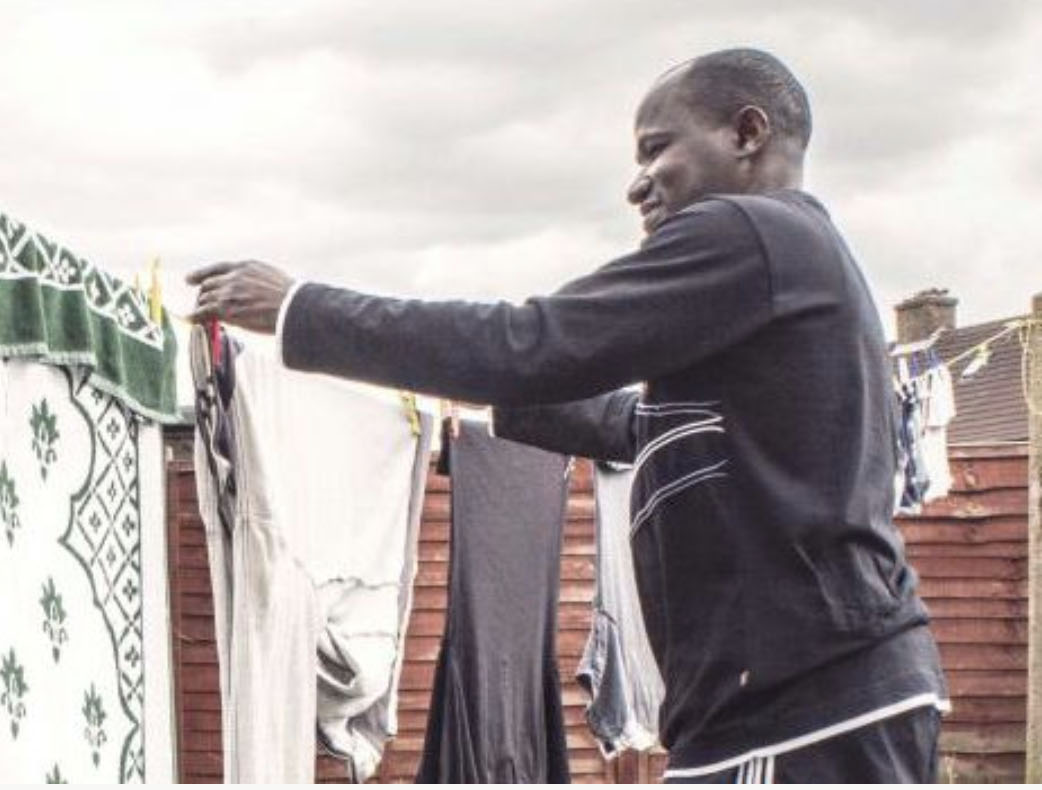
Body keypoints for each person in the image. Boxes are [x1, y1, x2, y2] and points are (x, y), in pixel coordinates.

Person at [187, 48, 947, 784]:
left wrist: (300, 310)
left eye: (657, 150)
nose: (637, 185)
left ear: (747, 135)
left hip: (800, 706)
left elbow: (534, 343)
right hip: (822, 695)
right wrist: (473, 406)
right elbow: (642, 425)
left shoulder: (750, 232)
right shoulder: (794, 270)